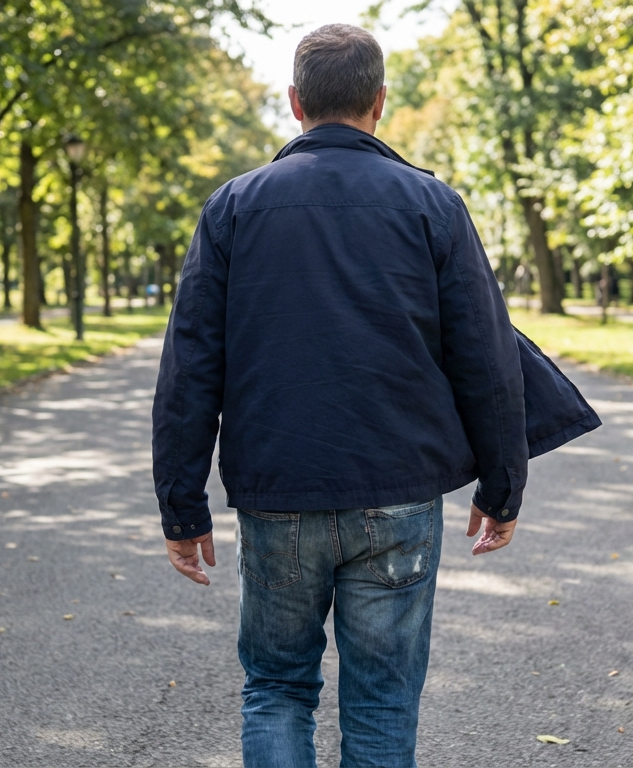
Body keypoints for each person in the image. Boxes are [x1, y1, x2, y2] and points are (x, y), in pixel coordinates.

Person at [151, 24, 527, 768]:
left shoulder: (233, 207)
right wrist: (503, 486)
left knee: (277, 688)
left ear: (295, 102)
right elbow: (488, 358)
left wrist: (181, 506)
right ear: (380, 101)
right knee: (383, 699)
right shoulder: (433, 205)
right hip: (398, 493)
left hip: (278, 489)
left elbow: (189, 369)